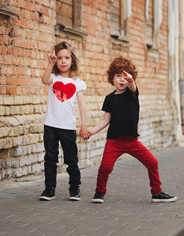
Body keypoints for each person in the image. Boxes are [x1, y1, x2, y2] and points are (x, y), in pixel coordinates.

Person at [83, 56, 177, 204]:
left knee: (152, 163)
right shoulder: (109, 99)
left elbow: (132, 86)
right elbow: (105, 120)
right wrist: (91, 131)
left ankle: (157, 193)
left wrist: (131, 80)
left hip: (132, 141)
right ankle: (99, 192)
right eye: (118, 76)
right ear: (112, 78)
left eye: (125, 77)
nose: (122, 80)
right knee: (105, 167)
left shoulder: (132, 94)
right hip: (114, 141)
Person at [40, 41, 90, 201]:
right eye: (59, 58)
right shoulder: (53, 78)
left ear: (72, 60)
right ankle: (49, 189)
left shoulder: (77, 83)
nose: (62, 61)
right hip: (50, 126)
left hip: (67, 127)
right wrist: (50, 64)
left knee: (71, 159)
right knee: (50, 158)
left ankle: (74, 188)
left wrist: (83, 124)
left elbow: (81, 104)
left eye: (66, 57)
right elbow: (44, 79)